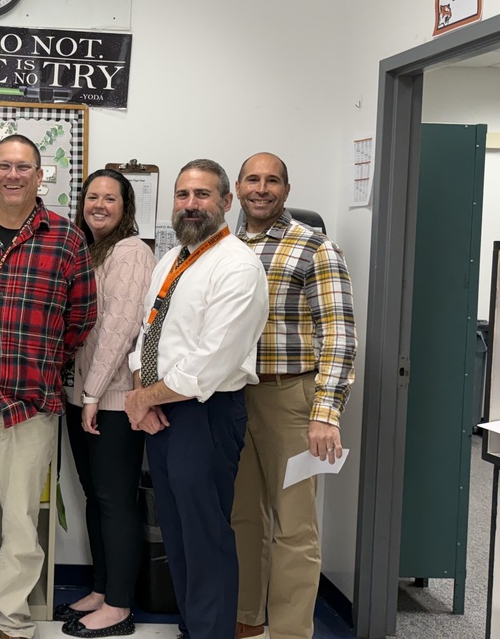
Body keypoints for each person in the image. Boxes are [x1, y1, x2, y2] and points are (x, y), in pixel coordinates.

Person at [0, 134, 97, 639]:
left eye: (23, 167)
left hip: (31, 404)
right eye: (4, 166)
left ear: (39, 176)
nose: (13, 175)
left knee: (23, 521)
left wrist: (42, 362)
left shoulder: (67, 239)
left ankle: (12, 620)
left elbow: (81, 317)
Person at [124, 159, 268, 639]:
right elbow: (149, 332)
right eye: (183, 194)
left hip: (205, 413)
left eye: (202, 195)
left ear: (226, 202)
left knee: (205, 535)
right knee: (178, 532)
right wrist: (144, 396)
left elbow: (211, 362)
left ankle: (211, 633)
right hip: (163, 410)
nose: (190, 204)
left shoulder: (237, 266)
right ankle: (193, 627)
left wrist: (143, 398)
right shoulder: (173, 259)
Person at [231, 153, 357, 639]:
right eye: (252, 179)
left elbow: (339, 335)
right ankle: (247, 619)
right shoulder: (225, 246)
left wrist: (325, 413)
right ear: (237, 188)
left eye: (272, 181)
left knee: (294, 526)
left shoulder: (315, 247)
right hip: (233, 398)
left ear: (286, 189)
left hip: (292, 400)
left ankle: (289, 632)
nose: (261, 189)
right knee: (242, 517)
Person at [56, 169, 155, 638]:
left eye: (110, 198)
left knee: (115, 501)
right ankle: (101, 590)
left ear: (126, 207)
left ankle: (119, 606)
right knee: (96, 497)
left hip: (111, 401)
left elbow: (120, 327)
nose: (99, 205)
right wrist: (81, 395)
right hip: (83, 398)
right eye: (92, 197)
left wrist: (93, 394)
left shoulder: (132, 252)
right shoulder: (91, 250)